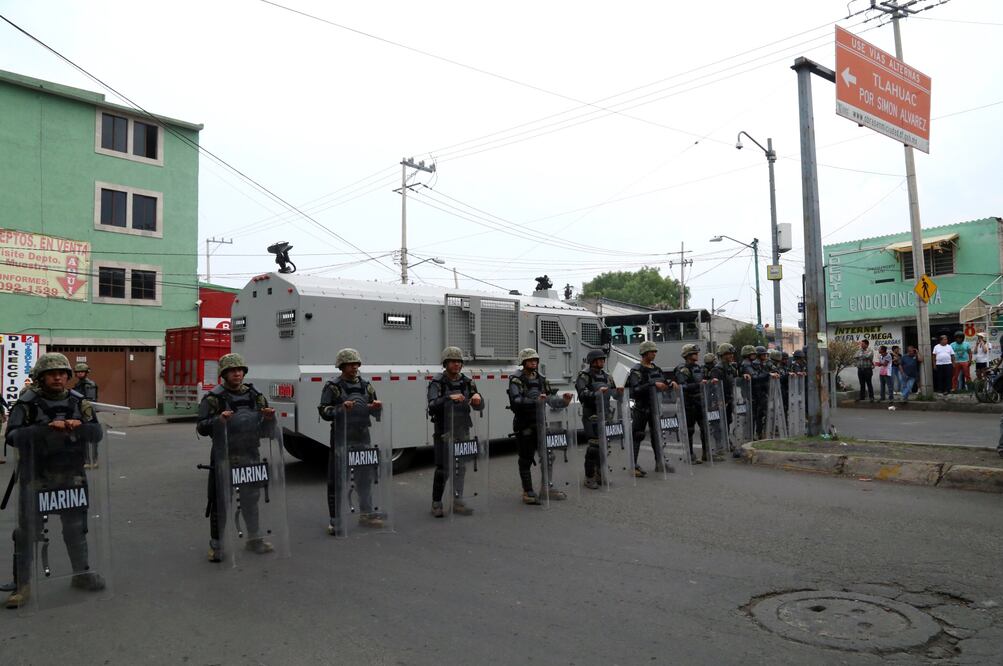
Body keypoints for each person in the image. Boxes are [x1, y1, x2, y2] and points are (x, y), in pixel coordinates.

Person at [4, 353, 105, 609]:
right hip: (37, 478)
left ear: (68, 376)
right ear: (40, 377)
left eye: (62, 373)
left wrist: (78, 426)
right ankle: (22, 585)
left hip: (71, 476)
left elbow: (97, 433)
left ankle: (81, 574)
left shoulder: (79, 402)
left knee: (76, 529)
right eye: (51, 373)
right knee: (27, 532)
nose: (58, 377)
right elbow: (12, 436)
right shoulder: (27, 403)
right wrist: (48, 428)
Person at [196, 353, 276, 561]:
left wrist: (269, 418)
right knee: (221, 501)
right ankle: (217, 546)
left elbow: (266, 429)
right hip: (225, 455)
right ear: (224, 374)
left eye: (240, 370)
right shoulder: (214, 398)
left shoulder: (255, 395)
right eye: (233, 371)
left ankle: (254, 540)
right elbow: (201, 427)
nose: (237, 374)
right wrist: (218, 420)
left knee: (251, 499)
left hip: (250, 453)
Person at [319, 348, 385, 533]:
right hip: (341, 437)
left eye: (356, 364)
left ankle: (367, 514)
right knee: (337, 479)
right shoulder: (332, 386)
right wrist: (340, 408)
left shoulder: (366, 386)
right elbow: (324, 411)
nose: (354, 367)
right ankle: (335, 519)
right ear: (342, 366)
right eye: (350, 364)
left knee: (365, 478)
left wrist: (376, 408)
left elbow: (374, 411)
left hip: (363, 435)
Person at [508, 348, 572, 504]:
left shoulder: (542, 379)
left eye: (535, 360)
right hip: (524, 424)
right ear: (523, 362)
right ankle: (527, 491)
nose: (533, 362)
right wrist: (534, 401)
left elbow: (550, 398)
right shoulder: (516, 380)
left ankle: (546, 488)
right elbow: (515, 401)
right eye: (530, 360)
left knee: (548, 455)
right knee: (526, 458)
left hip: (540, 423)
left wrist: (563, 401)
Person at [426, 346, 483, 517]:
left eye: (459, 361)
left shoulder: (467, 382)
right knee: (443, 468)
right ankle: (436, 503)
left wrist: (477, 399)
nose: (457, 364)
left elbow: (479, 404)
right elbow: (432, 404)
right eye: (453, 361)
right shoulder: (437, 382)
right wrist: (448, 398)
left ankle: (457, 500)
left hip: (462, 428)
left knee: (460, 467)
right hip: (444, 429)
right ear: (445, 363)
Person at [575, 349, 623, 489]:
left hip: (605, 414)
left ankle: (600, 473)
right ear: (593, 361)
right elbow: (582, 394)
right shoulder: (584, 376)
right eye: (600, 359)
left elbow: (614, 394)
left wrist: (619, 392)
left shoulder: (607, 377)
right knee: (594, 447)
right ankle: (589, 477)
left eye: (603, 359)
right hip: (591, 415)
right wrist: (596, 393)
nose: (603, 361)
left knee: (603, 446)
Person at [627, 341, 675, 475]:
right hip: (641, 408)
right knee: (637, 435)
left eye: (655, 351)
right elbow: (635, 389)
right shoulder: (637, 370)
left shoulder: (656, 368)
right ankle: (633, 466)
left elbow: (664, 382)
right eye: (652, 352)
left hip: (655, 407)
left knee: (657, 436)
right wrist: (653, 385)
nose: (654, 354)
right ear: (645, 353)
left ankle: (660, 463)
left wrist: (671, 384)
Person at [675, 344, 710, 463]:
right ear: (688, 355)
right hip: (689, 402)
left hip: (700, 401)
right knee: (689, 430)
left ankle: (706, 453)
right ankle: (690, 455)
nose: (697, 355)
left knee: (705, 428)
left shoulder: (698, 368)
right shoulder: (682, 369)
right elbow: (682, 386)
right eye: (694, 353)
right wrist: (698, 385)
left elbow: (703, 380)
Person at [740, 345, 768, 441]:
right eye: (752, 354)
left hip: (755, 393)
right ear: (747, 354)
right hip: (750, 394)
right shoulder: (746, 364)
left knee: (756, 416)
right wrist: (768, 374)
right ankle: (750, 437)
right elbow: (755, 376)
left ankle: (754, 435)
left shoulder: (751, 363)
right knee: (751, 417)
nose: (754, 355)